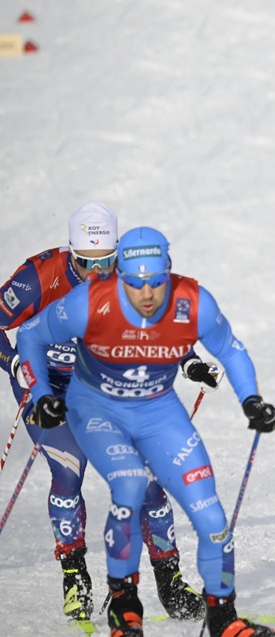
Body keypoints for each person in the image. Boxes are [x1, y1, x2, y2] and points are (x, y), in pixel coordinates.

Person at [15, 226, 275, 637]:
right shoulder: (88, 302)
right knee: (131, 485)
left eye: (156, 282)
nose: (148, 294)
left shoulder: (192, 300)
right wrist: (42, 393)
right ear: (119, 275)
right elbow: (30, 335)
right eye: (135, 284)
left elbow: (230, 348)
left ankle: (223, 619)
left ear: (169, 273)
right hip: (96, 408)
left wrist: (251, 399)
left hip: (157, 409)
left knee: (211, 514)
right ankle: (125, 610)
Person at [0, 203, 203, 624]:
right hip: (48, 385)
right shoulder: (41, 275)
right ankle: (75, 578)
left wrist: (190, 361)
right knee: (69, 470)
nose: (97, 272)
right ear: (70, 252)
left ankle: (169, 582)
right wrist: (14, 363)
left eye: (106, 261)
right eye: (86, 262)